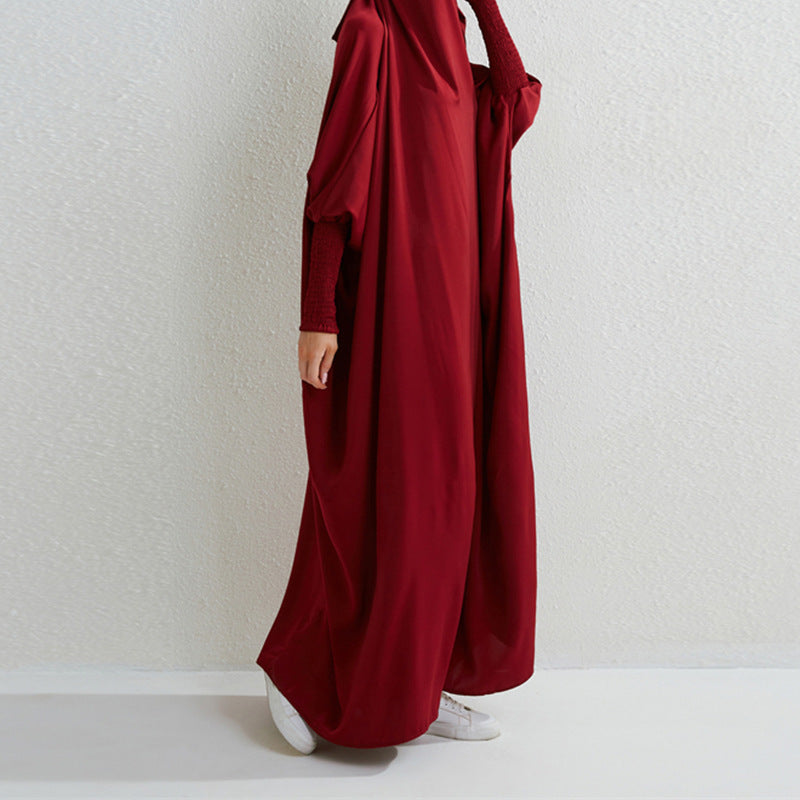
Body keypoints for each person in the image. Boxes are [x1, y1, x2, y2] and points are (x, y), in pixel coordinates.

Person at [257, 0, 543, 752]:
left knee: (450, 503)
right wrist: (319, 311)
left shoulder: (450, 39)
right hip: (388, 309)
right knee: (372, 502)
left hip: (456, 318)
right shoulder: (372, 30)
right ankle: (293, 670)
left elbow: (512, 102)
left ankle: (421, 679)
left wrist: (482, 7)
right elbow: (335, 176)